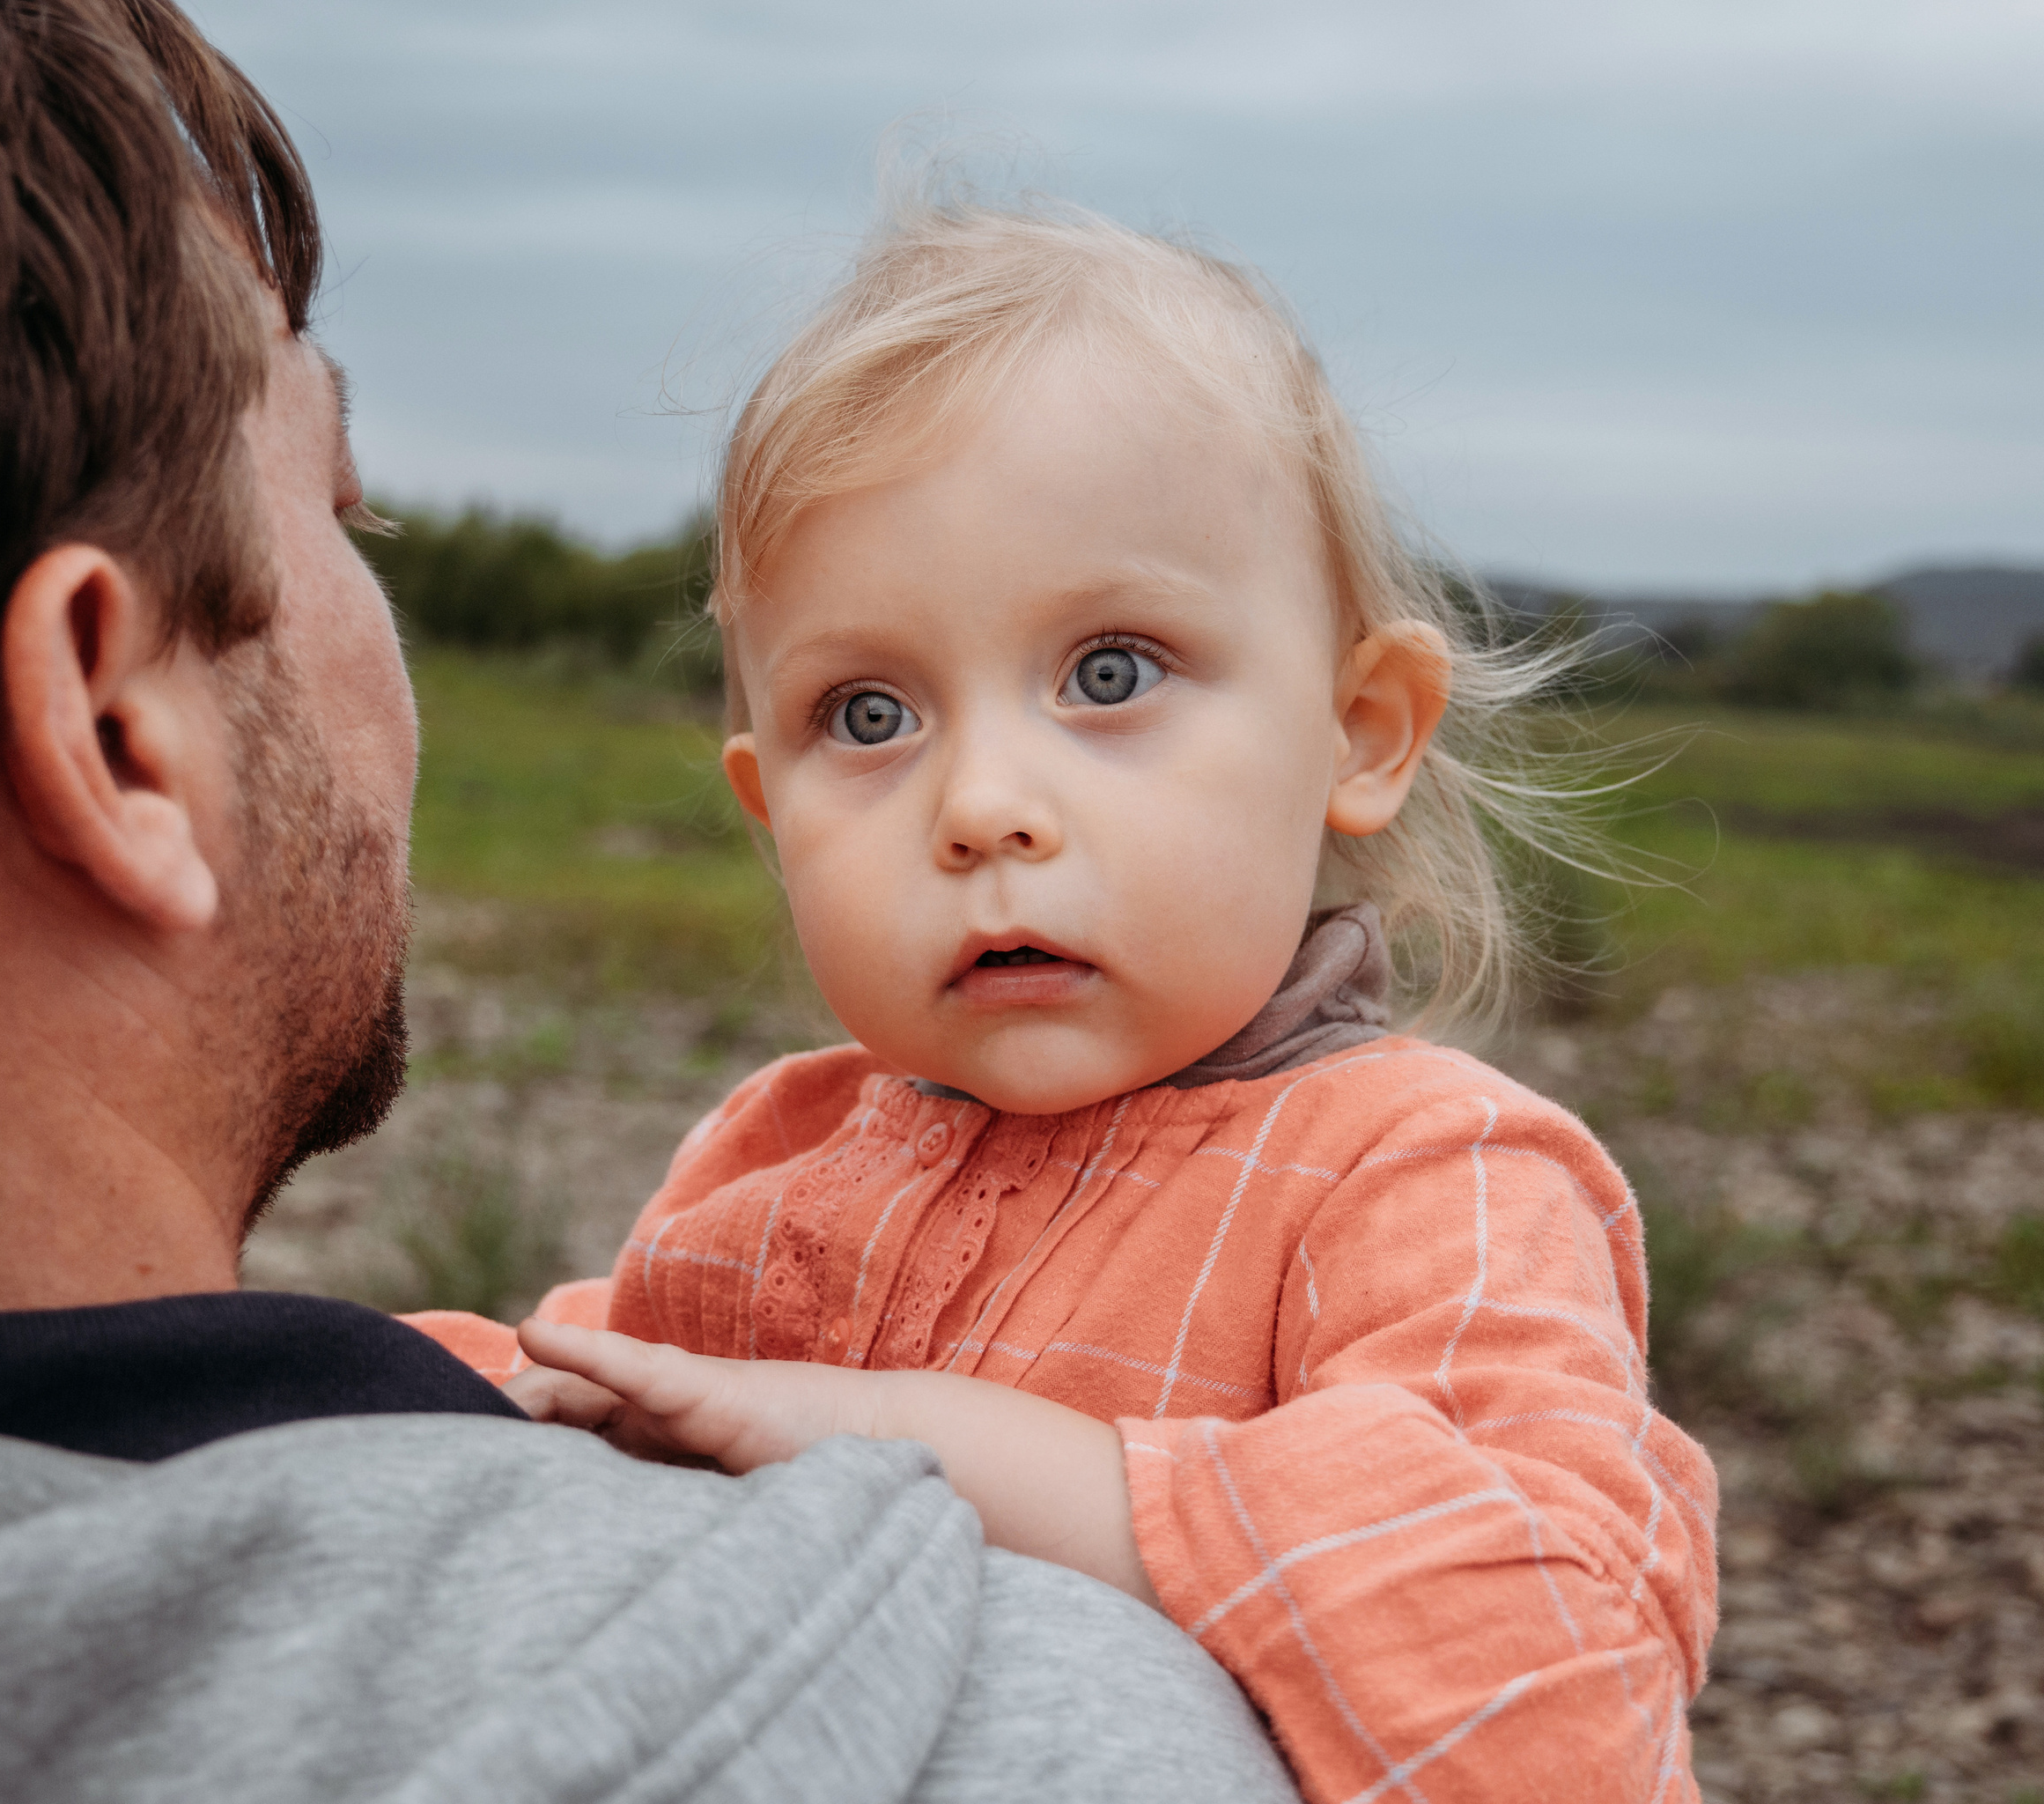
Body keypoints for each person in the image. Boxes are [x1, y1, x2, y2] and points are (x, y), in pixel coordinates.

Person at [0, 5, 1298, 1800]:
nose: (984, 808)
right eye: (342, 507)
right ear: (115, 731)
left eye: (1109, 673)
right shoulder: (1007, 1728)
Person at [418, 202, 1723, 1802]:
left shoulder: (1424, 1176)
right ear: (771, 814)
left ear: (1364, 732)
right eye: (870, 712)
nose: (980, 805)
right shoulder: (781, 1146)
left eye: (1111, 672)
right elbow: (600, 1418)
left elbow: (1553, 1701)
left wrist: (909, 1447)